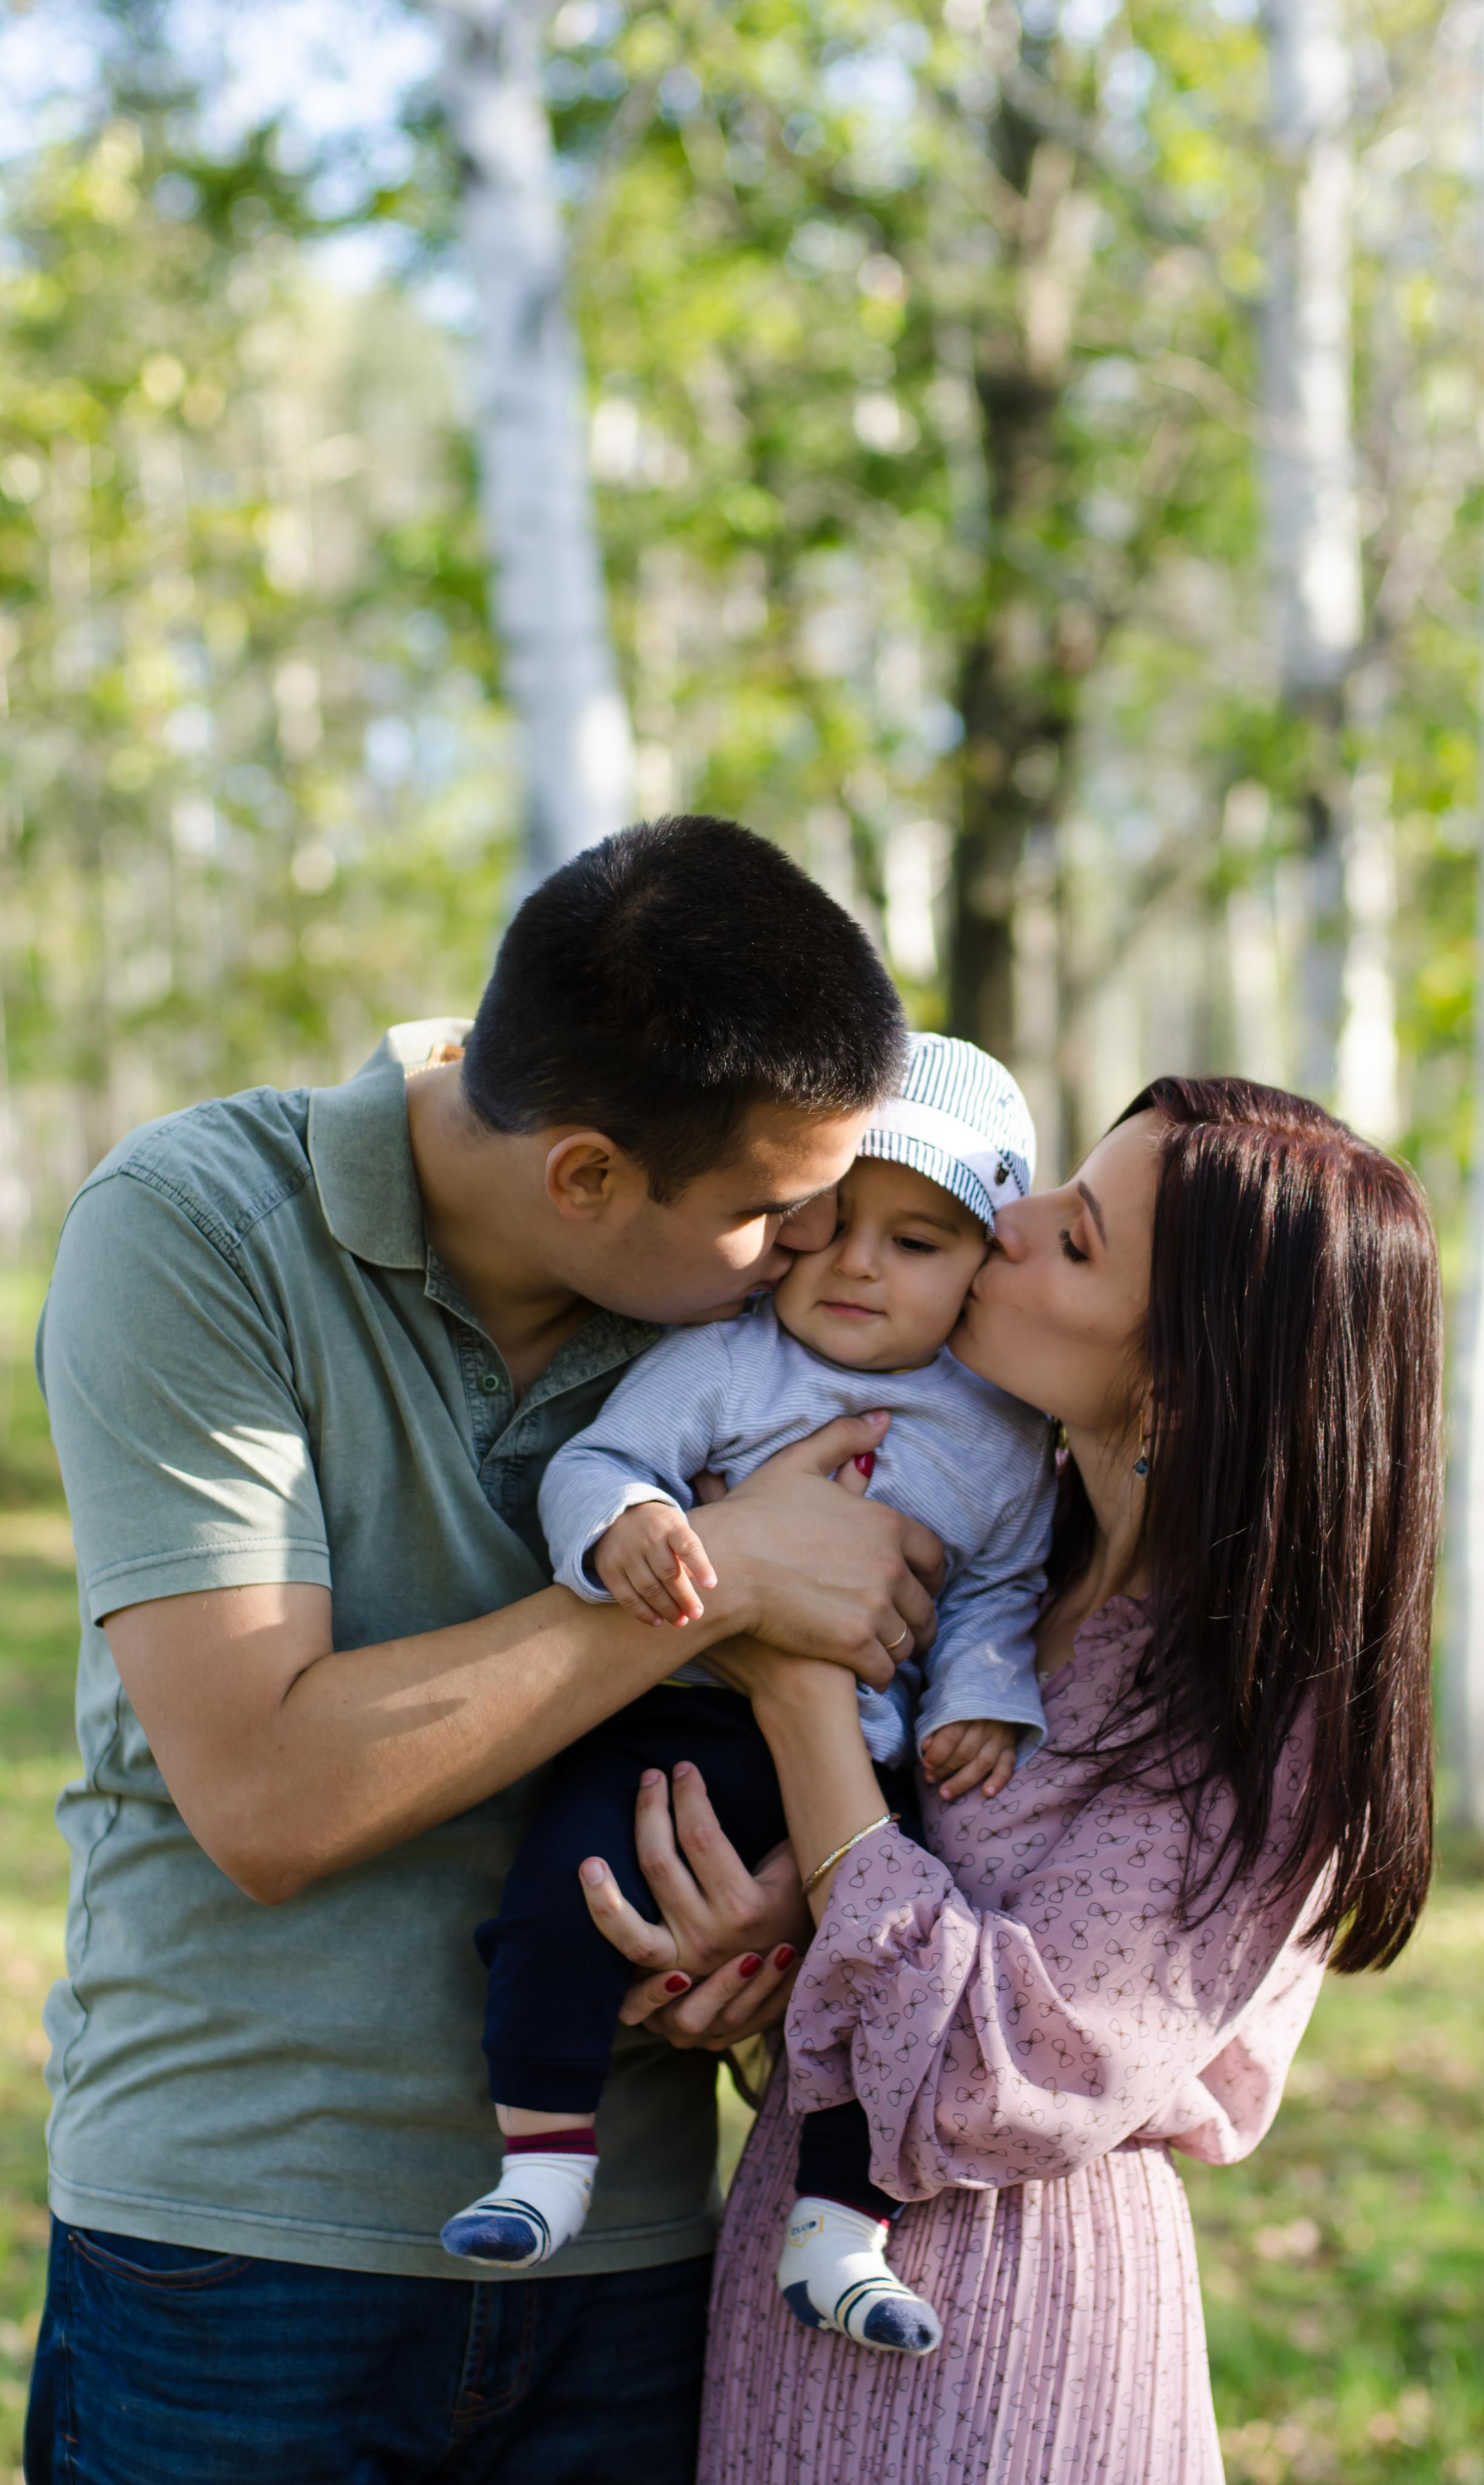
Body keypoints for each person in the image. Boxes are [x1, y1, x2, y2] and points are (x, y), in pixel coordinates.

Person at [24, 815, 948, 2485]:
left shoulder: (726, 1316)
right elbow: (267, 1791)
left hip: (637, 2266)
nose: (814, 1251)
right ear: (586, 1176)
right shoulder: (197, 1232)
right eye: (772, 1209)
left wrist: (770, 1920)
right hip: (244, 2255)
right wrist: (717, 1573)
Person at [584, 1077, 1445, 2485]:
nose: (1009, 1220)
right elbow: (876, 1916)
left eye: (1077, 1237)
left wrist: (794, 1674)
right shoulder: (1004, 1556)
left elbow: (1007, 2067)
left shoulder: (1252, 1703)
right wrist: (764, 1958)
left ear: (1179, 1373)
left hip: (1002, 2333)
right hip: (779, 2289)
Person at [440, 1036, 1056, 2370]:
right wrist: (628, 1524)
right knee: (563, 1888)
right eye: (834, 1225)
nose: (857, 1266)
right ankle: (541, 2154)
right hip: (680, 1717)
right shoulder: (726, 1363)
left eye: (919, 1240)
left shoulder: (1002, 1433)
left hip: (869, 1768)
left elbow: (1001, 1589)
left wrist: (982, 1697)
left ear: (978, 1264)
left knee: (861, 1976)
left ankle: (839, 2223)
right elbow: (603, 1457)